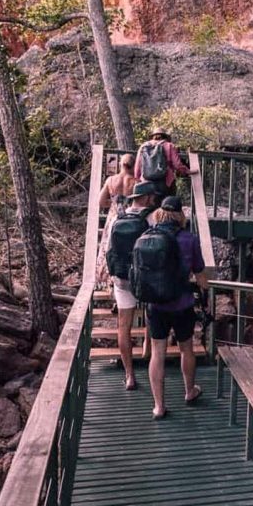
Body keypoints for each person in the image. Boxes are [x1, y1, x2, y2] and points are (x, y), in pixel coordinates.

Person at [132, 196, 207, 419]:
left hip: (156, 306)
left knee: (157, 353)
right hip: (182, 304)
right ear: (180, 215)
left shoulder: (147, 237)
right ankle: (189, 391)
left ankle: (158, 406)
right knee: (186, 349)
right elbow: (202, 278)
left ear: (160, 214)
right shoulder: (189, 239)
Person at [105, 181, 159, 390]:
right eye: (152, 197)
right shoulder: (153, 218)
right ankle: (147, 350)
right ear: (145, 198)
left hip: (122, 279)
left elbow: (110, 250)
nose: (154, 200)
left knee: (124, 326)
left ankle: (129, 376)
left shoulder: (118, 218)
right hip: (145, 278)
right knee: (151, 315)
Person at [96, 153, 137, 287]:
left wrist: (113, 204)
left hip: (114, 216)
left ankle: (107, 279)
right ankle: (126, 278)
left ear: (121, 164)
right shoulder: (137, 182)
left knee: (108, 246)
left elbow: (101, 202)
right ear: (133, 165)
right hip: (130, 218)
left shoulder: (111, 180)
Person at [134, 130, 196, 198]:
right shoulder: (169, 145)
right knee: (167, 204)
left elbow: (137, 166)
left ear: (152, 136)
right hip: (166, 181)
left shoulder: (143, 146)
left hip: (146, 181)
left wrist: (137, 180)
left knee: (150, 205)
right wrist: (187, 171)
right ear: (165, 137)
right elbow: (177, 165)